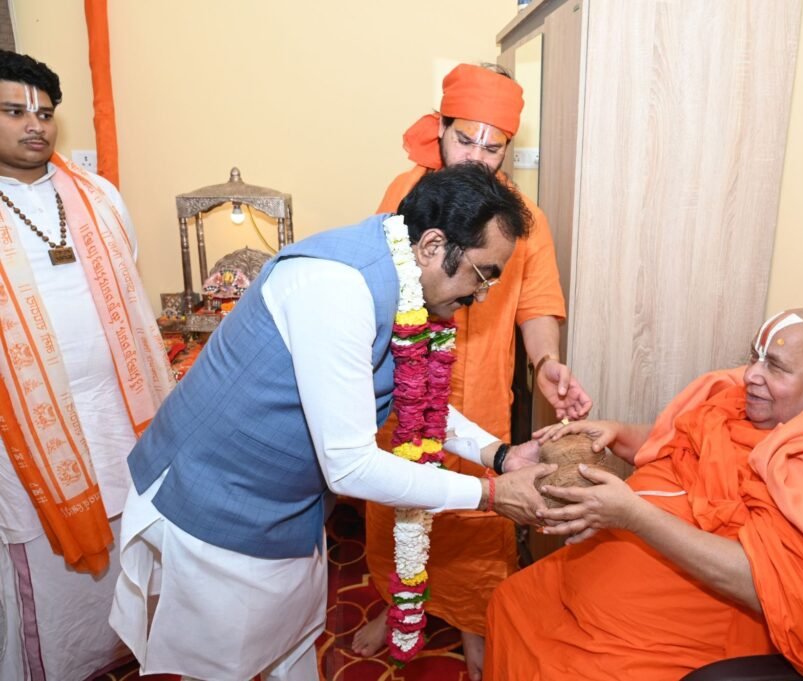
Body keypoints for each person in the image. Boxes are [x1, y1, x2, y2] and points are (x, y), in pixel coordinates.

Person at [108, 163, 566, 681]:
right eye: (482, 276)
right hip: (216, 500)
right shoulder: (337, 288)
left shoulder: (400, 275)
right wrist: (489, 494)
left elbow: (409, 390)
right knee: (229, 666)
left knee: (289, 647)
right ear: (433, 245)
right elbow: (350, 467)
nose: (480, 296)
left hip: (287, 506)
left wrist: (500, 455)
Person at [486, 308, 803, 681]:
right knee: (512, 601)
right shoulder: (734, 404)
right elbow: (679, 443)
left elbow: (772, 585)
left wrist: (635, 517)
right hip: (589, 586)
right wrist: (617, 433)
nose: (751, 376)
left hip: (670, 637)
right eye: (754, 357)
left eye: (776, 367)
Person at [356, 62, 590, 679]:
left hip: (481, 393)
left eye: (493, 146)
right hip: (404, 385)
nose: (476, 158)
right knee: (397, 507)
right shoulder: (404, 194)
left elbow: (538, 304)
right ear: (440, 130)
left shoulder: (523, 218)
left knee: (480, 518)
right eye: (465, 139)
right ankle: (394, 603)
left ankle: (474, 624)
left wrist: (546, 362)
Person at [0, 51, 175, 680]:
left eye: (45, 113)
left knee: (136, 530)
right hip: (26, 434)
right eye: (13, 111)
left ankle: (139, 647)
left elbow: (128, 285)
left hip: (118, 409)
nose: (35, 125)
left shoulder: (99, 197)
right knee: (49, 570)